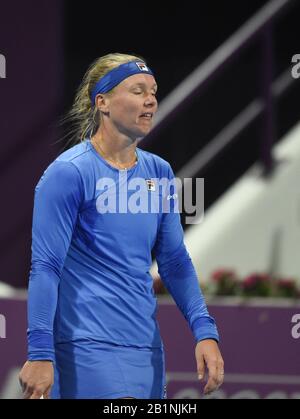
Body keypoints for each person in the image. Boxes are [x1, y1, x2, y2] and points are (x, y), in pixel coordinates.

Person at [19, 53, 224, 399]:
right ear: (103, 103)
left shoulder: (159, 172)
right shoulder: (69, 173)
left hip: (146, 352)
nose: (150, 100)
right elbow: (46, 267)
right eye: (137, 90)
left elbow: (174, 262)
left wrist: (205, 331)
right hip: (83, 347)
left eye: (154, 91)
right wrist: (39, 351)